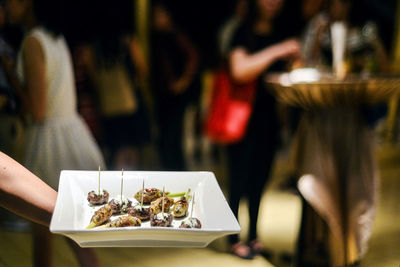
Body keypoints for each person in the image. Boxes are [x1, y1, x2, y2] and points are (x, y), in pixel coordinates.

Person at [4, 0, 104, 266]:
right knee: (75, 228)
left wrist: (11, 76)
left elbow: (37, 111)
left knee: (45, 232)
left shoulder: (32, 42)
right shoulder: (55, 38)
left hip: (49, 141)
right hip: (72, 133)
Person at [226, 0, 301, 259]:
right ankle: (233, 238)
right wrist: (278, 50)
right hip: (241, 118)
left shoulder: (282, 31)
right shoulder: (241, 31)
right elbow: (240, 71)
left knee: (260, 181)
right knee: (238, 180)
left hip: (269, 118)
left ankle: (254, 236)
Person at [151, 2, 199, 171]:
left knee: (173, 138)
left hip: (177, 97)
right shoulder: (157, 38)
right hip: (163, 95)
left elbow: (193, 57)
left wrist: (183, 82)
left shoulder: (176, 35)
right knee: (164, 138)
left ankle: (178, 173)